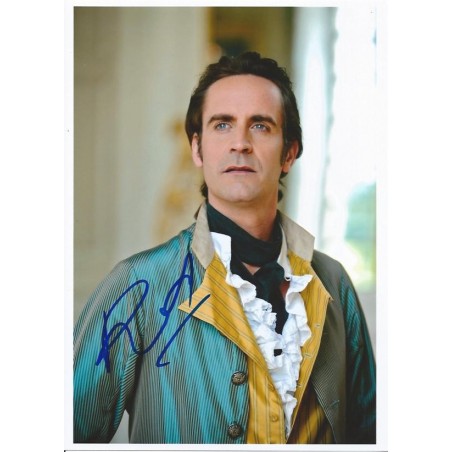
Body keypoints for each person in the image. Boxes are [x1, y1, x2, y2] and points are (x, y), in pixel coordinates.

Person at [73, 51, 376, 444]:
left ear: (289, 153)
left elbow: (369, 432)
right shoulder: (135, 283)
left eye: (260, 126)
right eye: (222, 124)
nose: (240, 143)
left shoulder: (334, 282)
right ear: (197, 149)